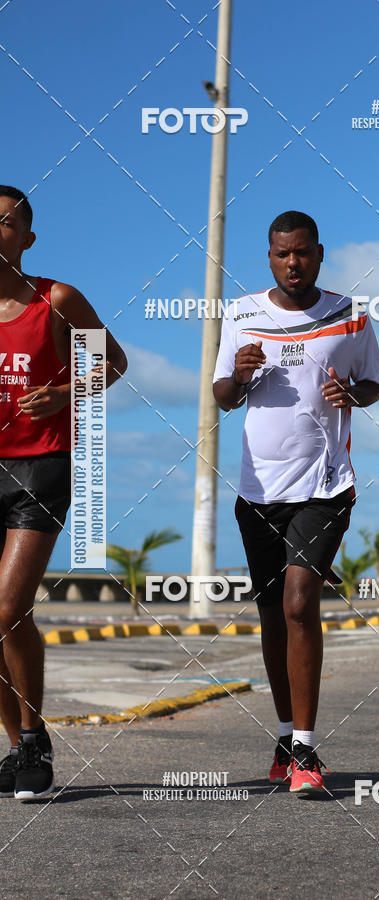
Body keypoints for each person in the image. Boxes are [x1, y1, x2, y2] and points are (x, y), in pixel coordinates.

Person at [213, 211, 379, 796]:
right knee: (269, 614)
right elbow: (222, 399)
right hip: (257, 488)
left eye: (304, 253)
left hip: (325, 484)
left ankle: (308, 750)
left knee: (297, 600)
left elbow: (375, 382)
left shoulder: (351, 315)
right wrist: (237, 375)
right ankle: (285, 735)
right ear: (269, 257)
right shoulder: (240, 314)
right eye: (283, 254)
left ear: (319, 253)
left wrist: (353, 394)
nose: (294, 263)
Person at [0, 186, 127, 800]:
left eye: (6, 223)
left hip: (40, 467)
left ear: (27, 238)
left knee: (6, 610)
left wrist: (66, 393)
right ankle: (22, 742)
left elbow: (113, 363)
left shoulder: (57, 299)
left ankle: (30, 740)